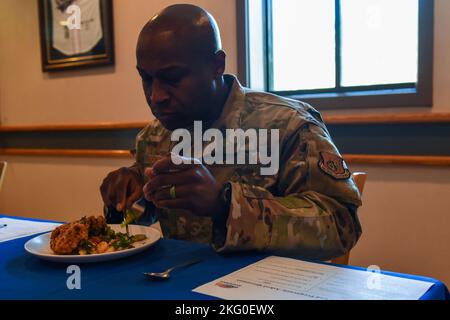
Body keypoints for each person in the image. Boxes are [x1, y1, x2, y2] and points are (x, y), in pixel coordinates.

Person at [100, 4, 362, 260]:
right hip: (180, 281)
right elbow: (148, 214)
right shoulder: (155, 136)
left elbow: (341, 226)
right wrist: (126, 197)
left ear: (217, 65)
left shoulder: (288, 125)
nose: (156, 96)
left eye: (173, 78)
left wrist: (225, 204)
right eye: (146, 78)